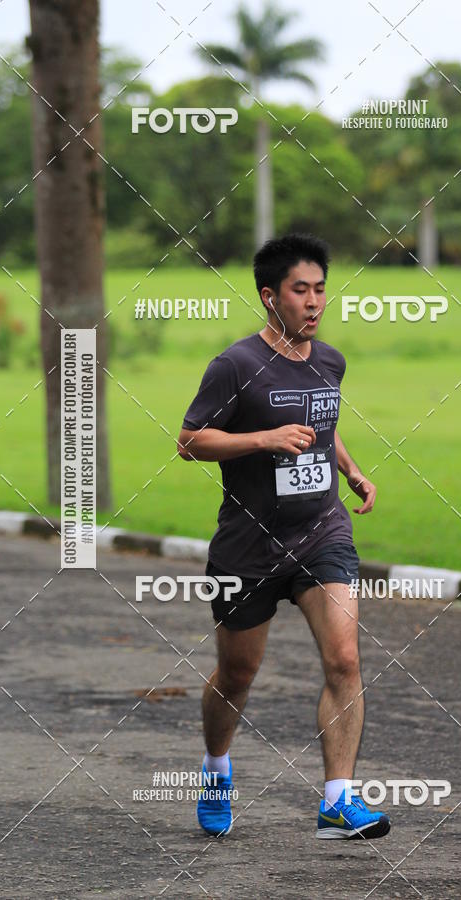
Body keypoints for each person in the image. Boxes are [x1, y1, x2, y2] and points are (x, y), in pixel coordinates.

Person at [177, 233, 390, 840]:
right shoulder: (236, 365)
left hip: (321, 532)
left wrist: (349, 469)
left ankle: (337, 801)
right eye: (302, 290)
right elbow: (190, 441)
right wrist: (261, 440)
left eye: (321, 289)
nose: (315, 301)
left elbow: (324, 422)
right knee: (237, 674)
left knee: (345, 658)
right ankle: (217, 769)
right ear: (271, 297)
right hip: (248, 546)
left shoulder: (328, 361)